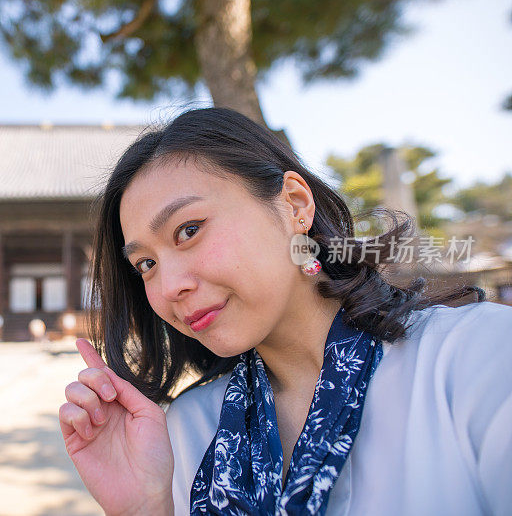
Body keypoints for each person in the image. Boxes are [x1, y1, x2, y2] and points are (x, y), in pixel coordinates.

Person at [58, 108, 512, 515]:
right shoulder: (187, 430)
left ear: (294, 204)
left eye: (189, 229)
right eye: (146, 264)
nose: (170, 286)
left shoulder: (473, 355)